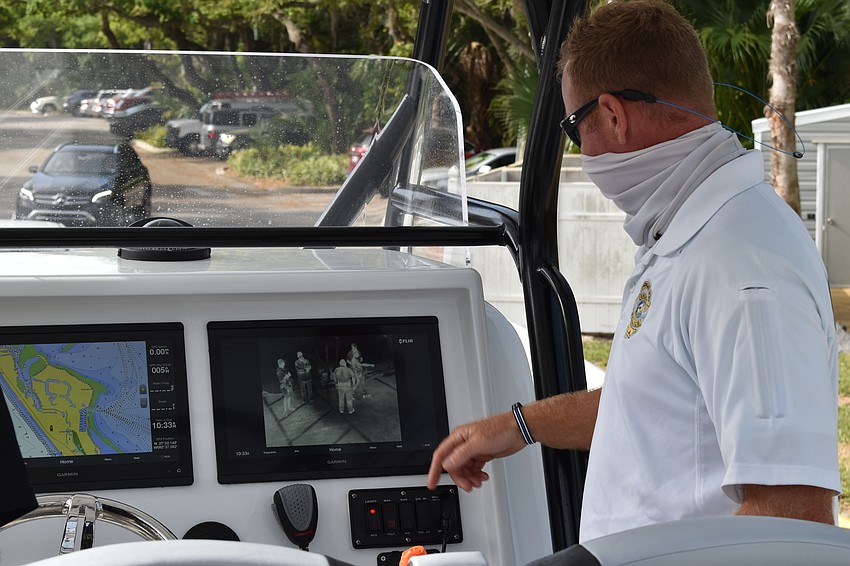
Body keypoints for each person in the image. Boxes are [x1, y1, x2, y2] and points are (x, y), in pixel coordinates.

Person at [427, 0, 839, 543]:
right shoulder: (690, 233)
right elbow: (655, 406)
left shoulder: (742, 268)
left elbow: (792, 516)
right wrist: (518, 426)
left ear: (613, 116)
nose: (582, 149)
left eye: (575, 127)